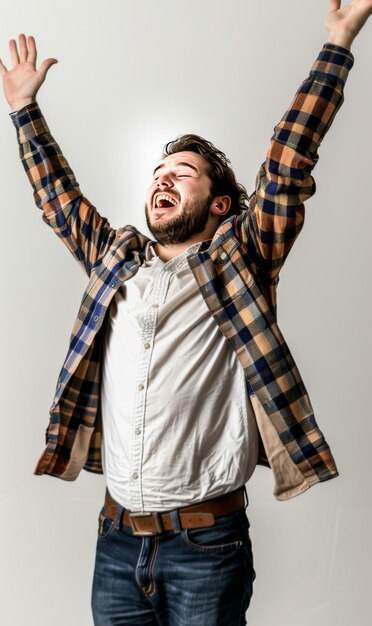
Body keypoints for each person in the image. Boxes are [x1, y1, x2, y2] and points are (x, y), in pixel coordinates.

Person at [1, 1, 371, 624]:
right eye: (158, 172)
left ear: (221, 204)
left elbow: (286, 169)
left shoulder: (242, 259)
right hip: (116, 544)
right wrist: (23, 111)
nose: (163, 180)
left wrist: (337, 44)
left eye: (184, 173)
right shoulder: (116, 259)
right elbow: (58, 198)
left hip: (207, 547)